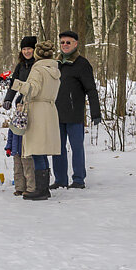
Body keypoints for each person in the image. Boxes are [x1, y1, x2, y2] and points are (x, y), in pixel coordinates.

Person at [11, 40, 61, 201]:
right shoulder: (54, 70)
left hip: (38, 111)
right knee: (42, 151)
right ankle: (44, 187)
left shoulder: (37, 70)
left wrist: (15, 84)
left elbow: (32, 89)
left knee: (37, 151)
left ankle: (40, 189)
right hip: (50, 110)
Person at [51, 30, 102, 190]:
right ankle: (60, 179)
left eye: (68, 42)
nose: (64, 45)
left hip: (74, 114)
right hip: (56, 114)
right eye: (62, 42)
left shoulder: (82, 64)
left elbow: (91, 89)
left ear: (75, 44)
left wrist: (96, 112)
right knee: (57, 149)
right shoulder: (55, 64)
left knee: (77, 147)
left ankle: (79, 179)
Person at [4, 100, 33, 196]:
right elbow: (10, 136)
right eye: (18, 106)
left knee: (28, 170)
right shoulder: (14, 121)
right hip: (16, 150)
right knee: (17, 170)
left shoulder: (29, 119)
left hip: (26, 150)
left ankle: (30, 188)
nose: (20, 108)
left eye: (22, 106)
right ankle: (19, 188)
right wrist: (9, 148)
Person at [2, 36, 37, 111]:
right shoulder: (20, 65)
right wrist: (8, 99)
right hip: (22, 104)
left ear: (34, 50)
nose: (26, 52)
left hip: (36, 103)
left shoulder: (38, 65)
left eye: (29, 49)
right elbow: (14, 83)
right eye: (24, 49)